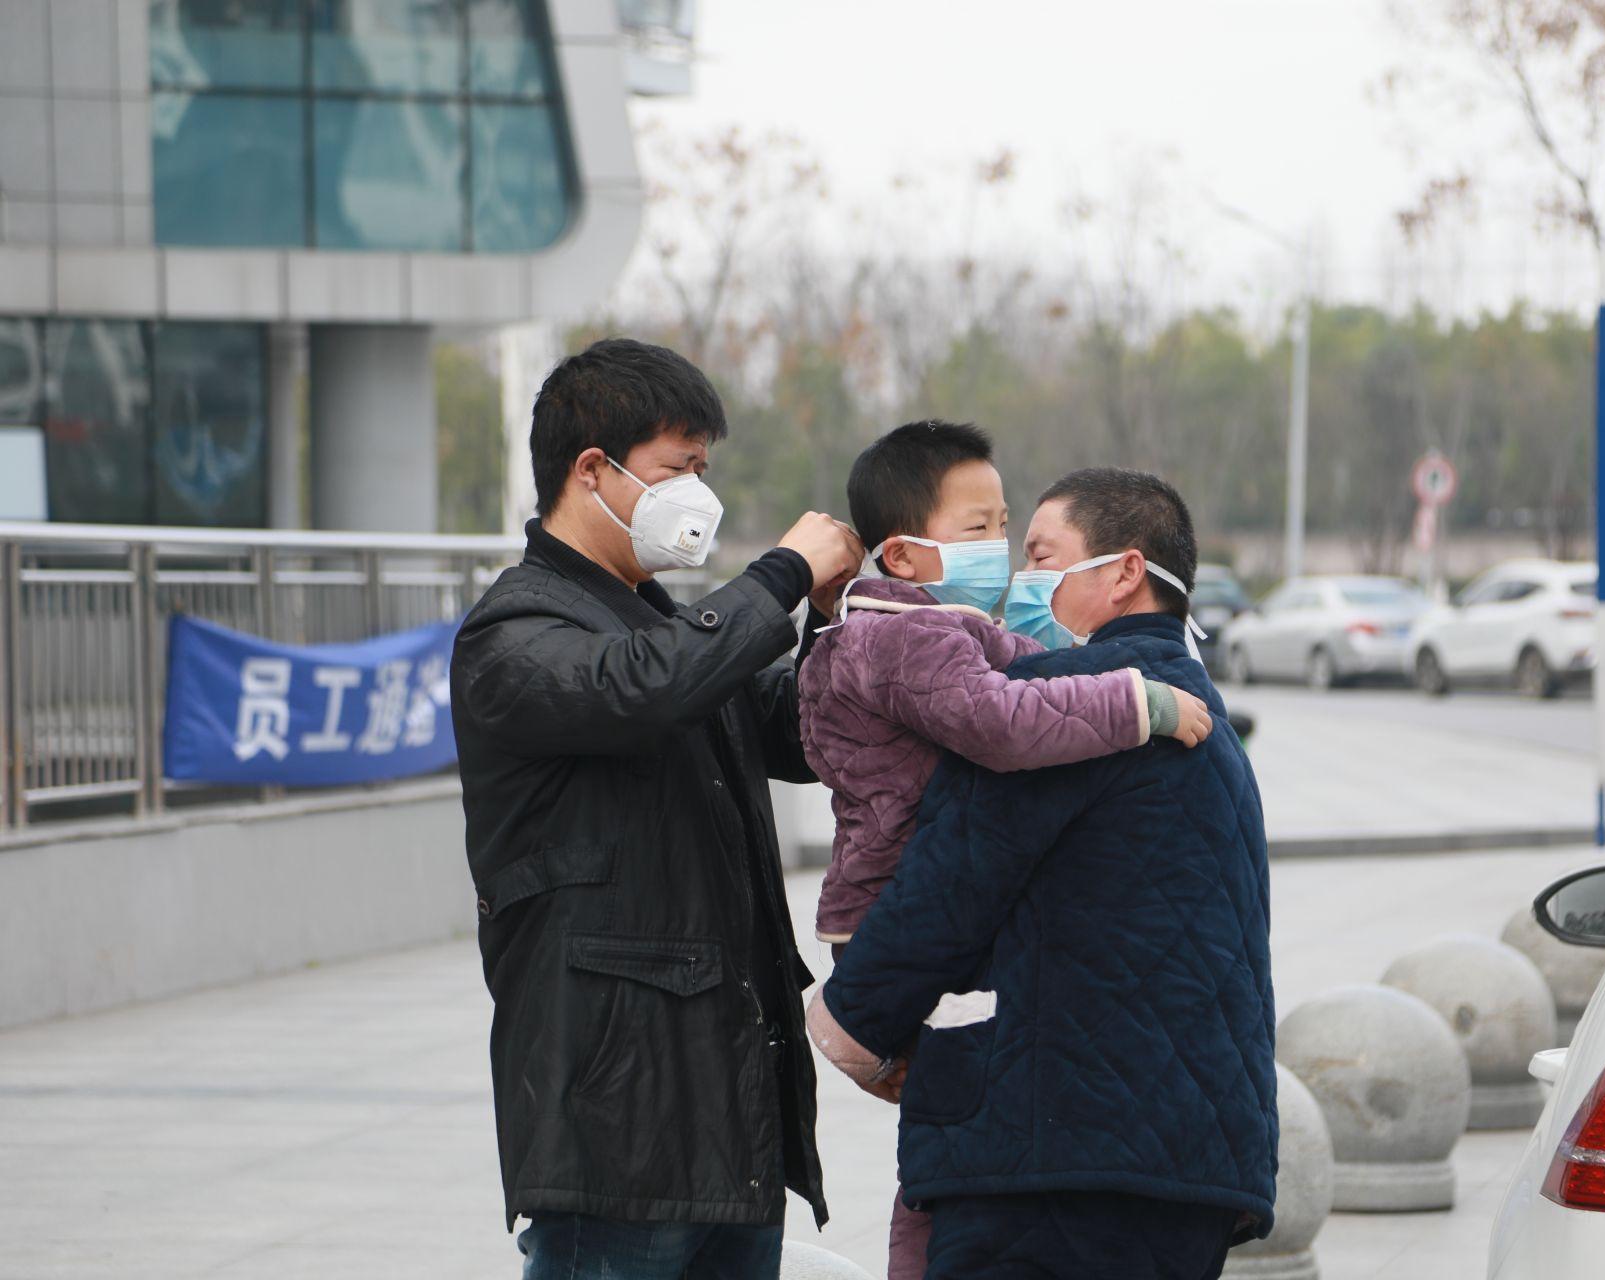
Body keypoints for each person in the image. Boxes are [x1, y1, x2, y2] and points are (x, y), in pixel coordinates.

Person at [449, 339, 865, 1280]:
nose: (697, 494)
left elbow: (802, 734)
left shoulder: (667, 627)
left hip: (727, 1120)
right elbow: (643, 689)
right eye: (680, 469)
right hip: (612, 1126)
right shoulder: (514, 631)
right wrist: (779, 577)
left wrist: (835, 622)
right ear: (592, 468)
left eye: (705, 470)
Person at [808, 467, 1278, 1280]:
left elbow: (949, 886)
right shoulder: (1208, 720)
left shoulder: (1066, 705)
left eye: (1039, 554)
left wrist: (854, 1024)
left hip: (1051, 1162)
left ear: (1124, 572)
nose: (1018, 576)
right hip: (1195, 1163)